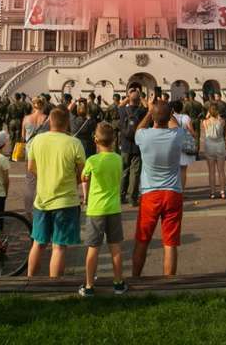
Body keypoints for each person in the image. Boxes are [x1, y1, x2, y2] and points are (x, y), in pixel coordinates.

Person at [132, 100, 190, 277]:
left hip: (150, 194)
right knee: (170, 243)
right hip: (172, 192)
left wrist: (150, 112)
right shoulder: (177, 135)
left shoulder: (144, 136)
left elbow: (138, 129)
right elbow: (176, 124)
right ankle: (169, 282)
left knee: (142, 240)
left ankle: (135, 278)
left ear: (153, 118)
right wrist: (168, 112)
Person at [26, 107, 86, 278]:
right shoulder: (74, 143)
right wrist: (71, 181)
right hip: (66, 201)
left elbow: (30, 167)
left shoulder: (38, 140)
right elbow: (83, 174)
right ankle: (55, 283)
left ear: (50, 121)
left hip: (42, 199)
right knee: (59, 247)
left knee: (38, 243)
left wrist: (44, 176)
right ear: (67, 122)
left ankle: (30, 280)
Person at [78, 121, 127, 296]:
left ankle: (89, 285)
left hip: (96, 209)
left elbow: (83, 177)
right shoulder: (118, 158)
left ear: (96, 140)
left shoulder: (92, 160)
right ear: (113, 140)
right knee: (115, 248)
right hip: (113, 208)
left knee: (93, 248)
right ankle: (118, 282)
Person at [117, 86, 145, 205]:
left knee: (124, 171)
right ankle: (133, 198)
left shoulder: (123, 111)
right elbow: (149, 107)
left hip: (125, 145)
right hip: (138, 145)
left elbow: (119, 105)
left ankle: (121, 196)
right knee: (135, 172)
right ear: (139, 100)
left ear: (129, 99)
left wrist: (129, 96)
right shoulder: (143, 111)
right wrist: (141, 97)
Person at [200, 101, 226, 199]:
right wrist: (217, 115)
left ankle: (212, 192)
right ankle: (222, 191)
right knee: (221, 170)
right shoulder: (222, 121)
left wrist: (208, 115)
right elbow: (221, 121)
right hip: (220, 145)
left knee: (211, 171)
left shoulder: (205, 122)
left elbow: (206, 120)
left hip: (209, 145)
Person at [170, 99, 195, 189]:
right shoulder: (186, 117)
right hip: (184, 146)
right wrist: (193, 137)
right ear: (182, 108)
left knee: (173, 170)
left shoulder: (170, 117)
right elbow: (192, 131)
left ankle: (174, 190)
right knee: (183, 170)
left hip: (172, 145)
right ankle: (182, 191)